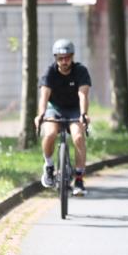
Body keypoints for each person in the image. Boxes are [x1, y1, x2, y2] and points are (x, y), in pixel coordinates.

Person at [35, 39, 91, 196]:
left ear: (72, 57)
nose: (64, 61)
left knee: (78, 137)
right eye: (60, 58)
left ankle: (79, 179)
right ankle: (49, 166)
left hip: (74, 109)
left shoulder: (80, 71)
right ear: (55, 58)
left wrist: (83, 114)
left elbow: (83, 95)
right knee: (50, 133)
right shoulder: (50, 72)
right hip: (55, 109)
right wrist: (40, 115)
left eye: (67, 58)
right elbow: (44, 97)